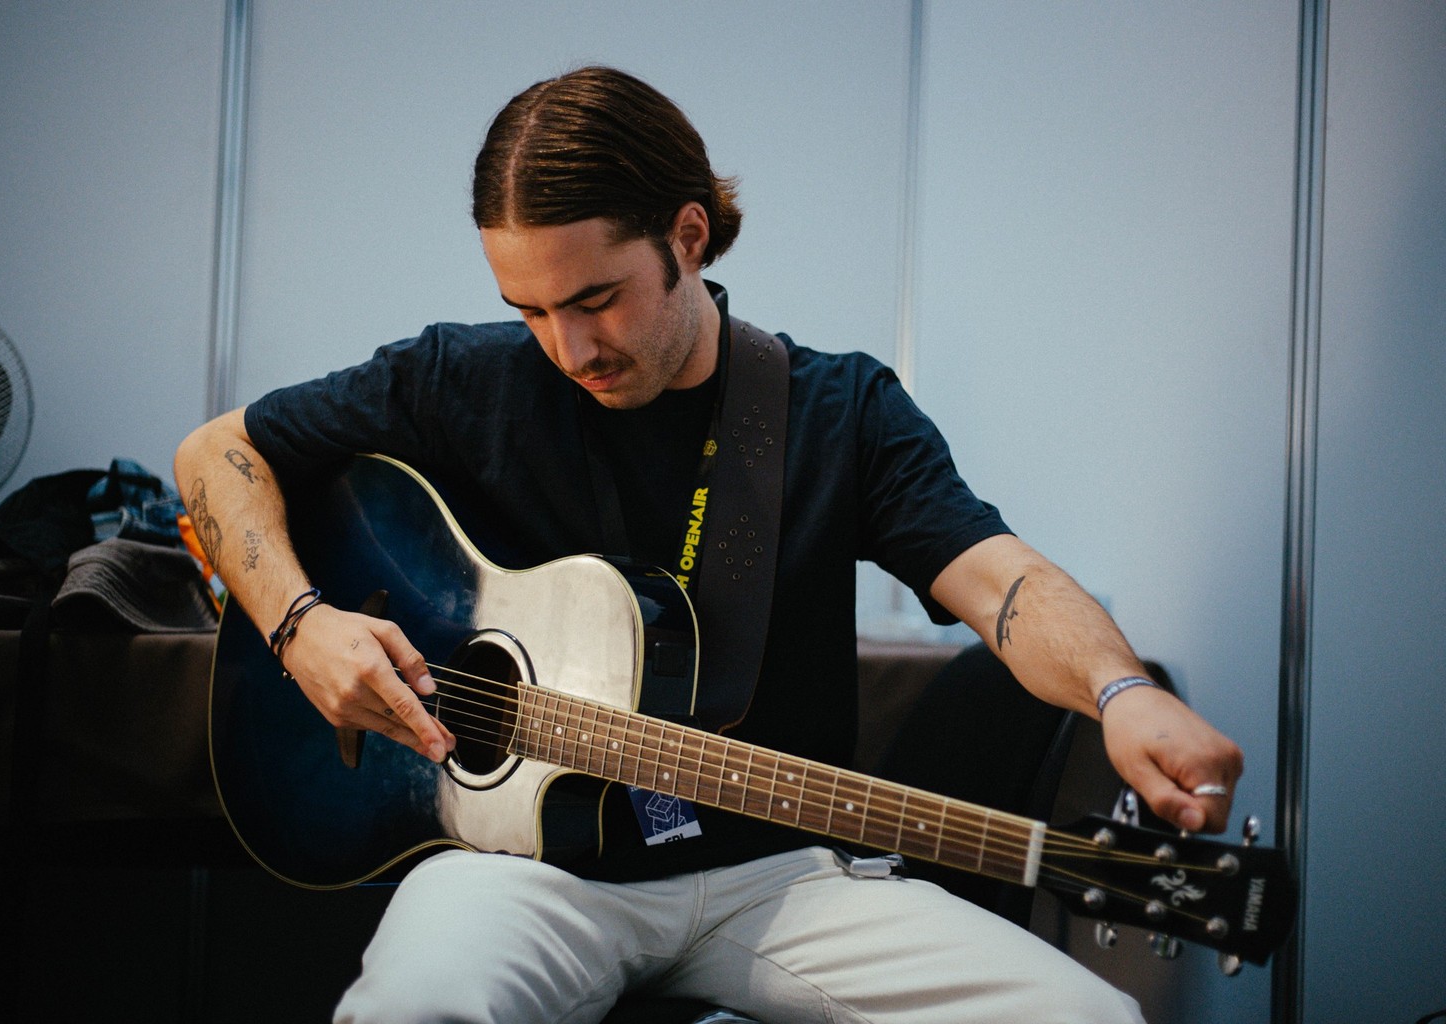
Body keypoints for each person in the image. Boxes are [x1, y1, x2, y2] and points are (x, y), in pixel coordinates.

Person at [176, 65, 1243, 1024]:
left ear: (688, 235)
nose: (568, 347)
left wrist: (1119, 689)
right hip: (518, 870)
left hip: (774, 876)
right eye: (531, 308)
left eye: (596, 298)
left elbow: (1001, 580)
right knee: (417, 1004)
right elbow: (216, 453)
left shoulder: (836, 410)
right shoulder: (466, 380)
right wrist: (302, 627)